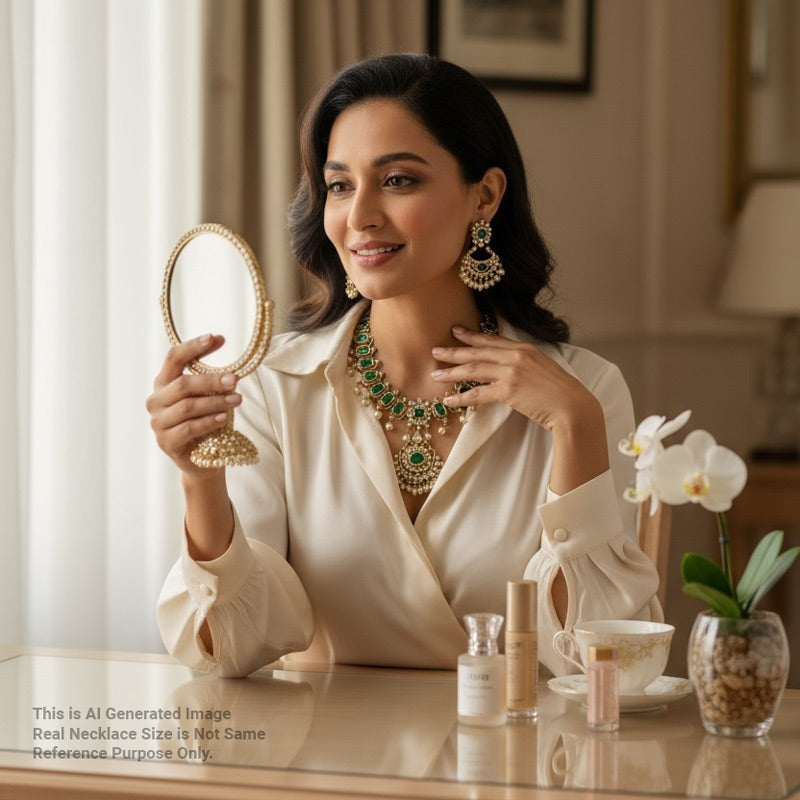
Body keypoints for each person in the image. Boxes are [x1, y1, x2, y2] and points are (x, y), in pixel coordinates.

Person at [147, 53, 662, 678]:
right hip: (320, 766)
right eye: (339, 185)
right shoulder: (273, 388)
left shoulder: (586, 392)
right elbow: (232, 651)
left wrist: (576, 424)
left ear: (485, 196)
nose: (359, 214)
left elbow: (600, 663)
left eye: (397, 181)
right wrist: (201, 479)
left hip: (512, 764)